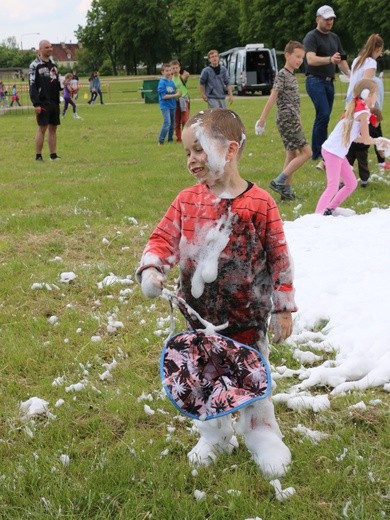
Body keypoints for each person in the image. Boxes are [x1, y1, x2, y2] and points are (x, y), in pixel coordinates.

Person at [136, 108, 297, 479]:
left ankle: (261, 430)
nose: (191, 160)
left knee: (252, 372)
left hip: (248, 316)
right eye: (187, 153)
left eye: (198, 150)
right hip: (199, 316)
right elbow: (162, 239)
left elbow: (279, 259)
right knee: (206, 375)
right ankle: (215, 433)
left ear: (229, 150)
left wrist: (282, 307)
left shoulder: (260, 204)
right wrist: (151, 267)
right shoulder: (186, 201)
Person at [315, 79, 385, 215]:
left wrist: (376, 140)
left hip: (337, 153)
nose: (377, 97)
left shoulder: (359, 108)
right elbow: (365, 139)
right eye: (376, 93)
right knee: (333, 186)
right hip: (333, 152)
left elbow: (356, 137)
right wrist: (378, 141)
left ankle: (330, 209)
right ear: (368, 94)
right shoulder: (363, 113)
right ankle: (318, 216)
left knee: (351, 184)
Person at [256, 41, 312, 201]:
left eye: (302, 57)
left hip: (292, 118)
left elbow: (294, 101)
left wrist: (299, 119)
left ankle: (286, 192)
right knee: (308, 153)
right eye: (297, 56)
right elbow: (273, 96)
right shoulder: (282, 74)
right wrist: (262, 118)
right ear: (287, 55)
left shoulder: (292, 75)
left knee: (292, 153)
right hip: (287, 118)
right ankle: (279, 181)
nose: (300, 60)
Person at [303, 5, 350, 166]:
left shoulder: (335, 38)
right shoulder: (311, 37)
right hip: (314, 80)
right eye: (326, 19)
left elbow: (342, 59)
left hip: (330, 82)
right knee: (323, 114)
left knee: (324, 117)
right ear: (318, 19)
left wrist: (351, 76)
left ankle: (322, 150)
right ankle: (319, 153)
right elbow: (310, 59)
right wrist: (330, 59)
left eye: (331, 19)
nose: (329, 21)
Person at [345, 34, 387, 171]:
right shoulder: (371, 62)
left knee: (353, 132)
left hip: (351, 101)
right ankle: (379, 160)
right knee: (368, 132)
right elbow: (365, 83)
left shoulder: (357, 60)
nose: (379, 54)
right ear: (377, 48)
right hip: (361, 102)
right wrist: (370, 106)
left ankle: (381, 159)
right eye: (380, 51)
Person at [29, 39, 61, 161]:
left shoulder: (53, 64)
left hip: (54, 101)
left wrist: (65, 85)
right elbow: (32, 84)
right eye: (47, 47)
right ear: (40, 49)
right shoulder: (35, 65)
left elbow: (56, 82)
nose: (50, 49)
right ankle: (38, 156)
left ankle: (53, 155)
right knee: (42, 128)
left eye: (51, 47)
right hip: (42, 102)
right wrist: (35, 103)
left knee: (53, 128)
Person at [346, 107, 382, 187]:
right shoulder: (371, 128)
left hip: (351, 147)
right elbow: (377, 141)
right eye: (378, 122)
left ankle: (360, 180)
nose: (378, 124)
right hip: (359, 149)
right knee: (362, 165)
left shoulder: (362, 123)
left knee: (349, 164)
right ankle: (364, 181)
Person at [157, 63, 182, 145]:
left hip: (172, 105)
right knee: (167, 122)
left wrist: (178, 93)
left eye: (170, 70)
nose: (169, 72)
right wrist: (175, 95)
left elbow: (174, 91)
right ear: (162, 72)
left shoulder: (171, 82)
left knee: (172, 124)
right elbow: (163, 96)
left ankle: (170, 139)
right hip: (165, 106)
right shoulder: (162, 82)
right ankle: (161, 140)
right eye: (166, 71)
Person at [170, 59, 190, 143]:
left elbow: (186, 77)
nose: (175, 70)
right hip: (174, 101)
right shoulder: (170, 79)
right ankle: (179, 138)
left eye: (176, 68)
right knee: (176, 120)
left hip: (183, 100)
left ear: (179, 68)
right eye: (173, 68)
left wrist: (187, 75)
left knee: (185, 119)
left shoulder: (181, 77)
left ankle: (186, 136)